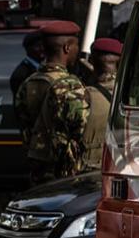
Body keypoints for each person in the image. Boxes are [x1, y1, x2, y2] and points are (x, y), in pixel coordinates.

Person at [16, 21, 87, 182]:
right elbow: (81, 130)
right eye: (76, 46)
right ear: (67, 48)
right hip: (65, 173)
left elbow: (24, 126)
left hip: (37, 168)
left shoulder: (27, 84)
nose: (77, 51)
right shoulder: (72, 86)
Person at [81, 38, 122, 172]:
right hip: (122, 168)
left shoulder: (84, 95)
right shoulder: (133, 94)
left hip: (90, 169)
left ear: (91, 61)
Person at [9, 32, 44, 96]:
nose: (42, 49)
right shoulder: (21, 74)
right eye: (37, 46)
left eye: (43, 46)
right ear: (28, 49)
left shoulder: (43, 67)